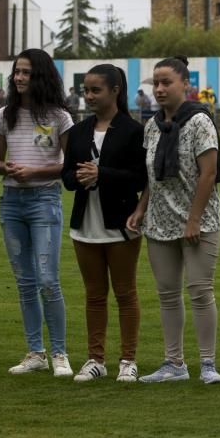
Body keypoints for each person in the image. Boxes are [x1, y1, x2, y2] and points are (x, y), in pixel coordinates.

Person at [126, 56, 220, 384]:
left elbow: (208, 174)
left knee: (200, 290)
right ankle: (174, 363)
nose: (159, 88)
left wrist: (193, 220)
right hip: (159, 221)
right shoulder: (152, 126)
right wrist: (141, 210)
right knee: (167, 293)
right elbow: (152, 177)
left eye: (166, 82)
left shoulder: (200, 121)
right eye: (155, 83)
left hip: (199, 221)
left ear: (186, 84)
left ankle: (208, 364)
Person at [0, 49, 75, 377]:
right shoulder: (3, 116)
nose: (19, 78)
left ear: (40, 76)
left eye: (26, 72)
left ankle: (60, 353)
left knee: (48, 280)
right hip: (11, 202)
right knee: (25, 282)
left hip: (44, 201)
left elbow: (69, 165)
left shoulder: (59, 117)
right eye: (16, 72)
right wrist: (7, 167)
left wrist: (35, 174)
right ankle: (35, 352)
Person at [63, 64, 147, 383]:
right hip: (84, 224)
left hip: (121, 222)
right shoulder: (79, 131)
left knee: (125, 293)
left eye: (95, 90)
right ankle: (95, 359)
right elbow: (67, 176)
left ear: (115, 91)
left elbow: (140, 177)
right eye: (86, 90)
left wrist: (103, 174)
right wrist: (79, 177)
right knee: (94, 295)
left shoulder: (132, 130)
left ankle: (128, 359)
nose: (88, 96)